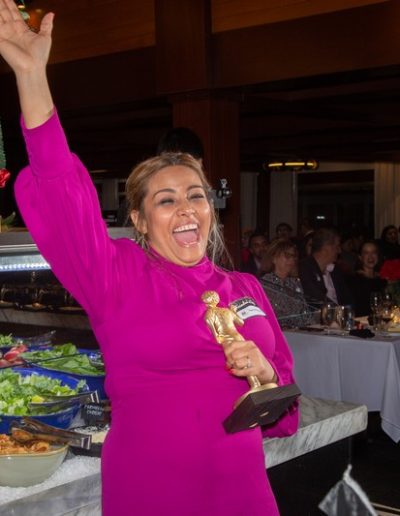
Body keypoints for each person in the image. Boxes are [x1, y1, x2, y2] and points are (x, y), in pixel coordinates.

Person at [0, 4, 298, 515]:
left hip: (244, 492)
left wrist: (266, 374)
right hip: (153, 490)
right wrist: (31, 76)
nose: (186, 208)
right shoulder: (117, 274)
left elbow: (285, 406)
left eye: (196, 195)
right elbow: (62, 194)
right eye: (166, 200)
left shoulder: (245, 288)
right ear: (138, 219)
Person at [260, 239, 317, 329]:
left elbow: (304, 312)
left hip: (298, 332)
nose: (291, 260)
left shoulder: (295, 283)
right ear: (274, 258)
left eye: (293, 256)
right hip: (278, 332)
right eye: (287, 256)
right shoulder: (265, 284)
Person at [299, 228, 353, 308]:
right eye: (337, 246)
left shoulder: (335, 270)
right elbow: (315, 299)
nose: (339, 251)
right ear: (326, 248)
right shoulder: (304, 268)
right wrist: (338, 310)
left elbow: (347, 300)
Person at [346, 241, 386, 316]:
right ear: (360, 257)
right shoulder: (354, 280)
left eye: (373, 252)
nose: (371, 256)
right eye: (366, 253)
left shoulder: (381, 280)